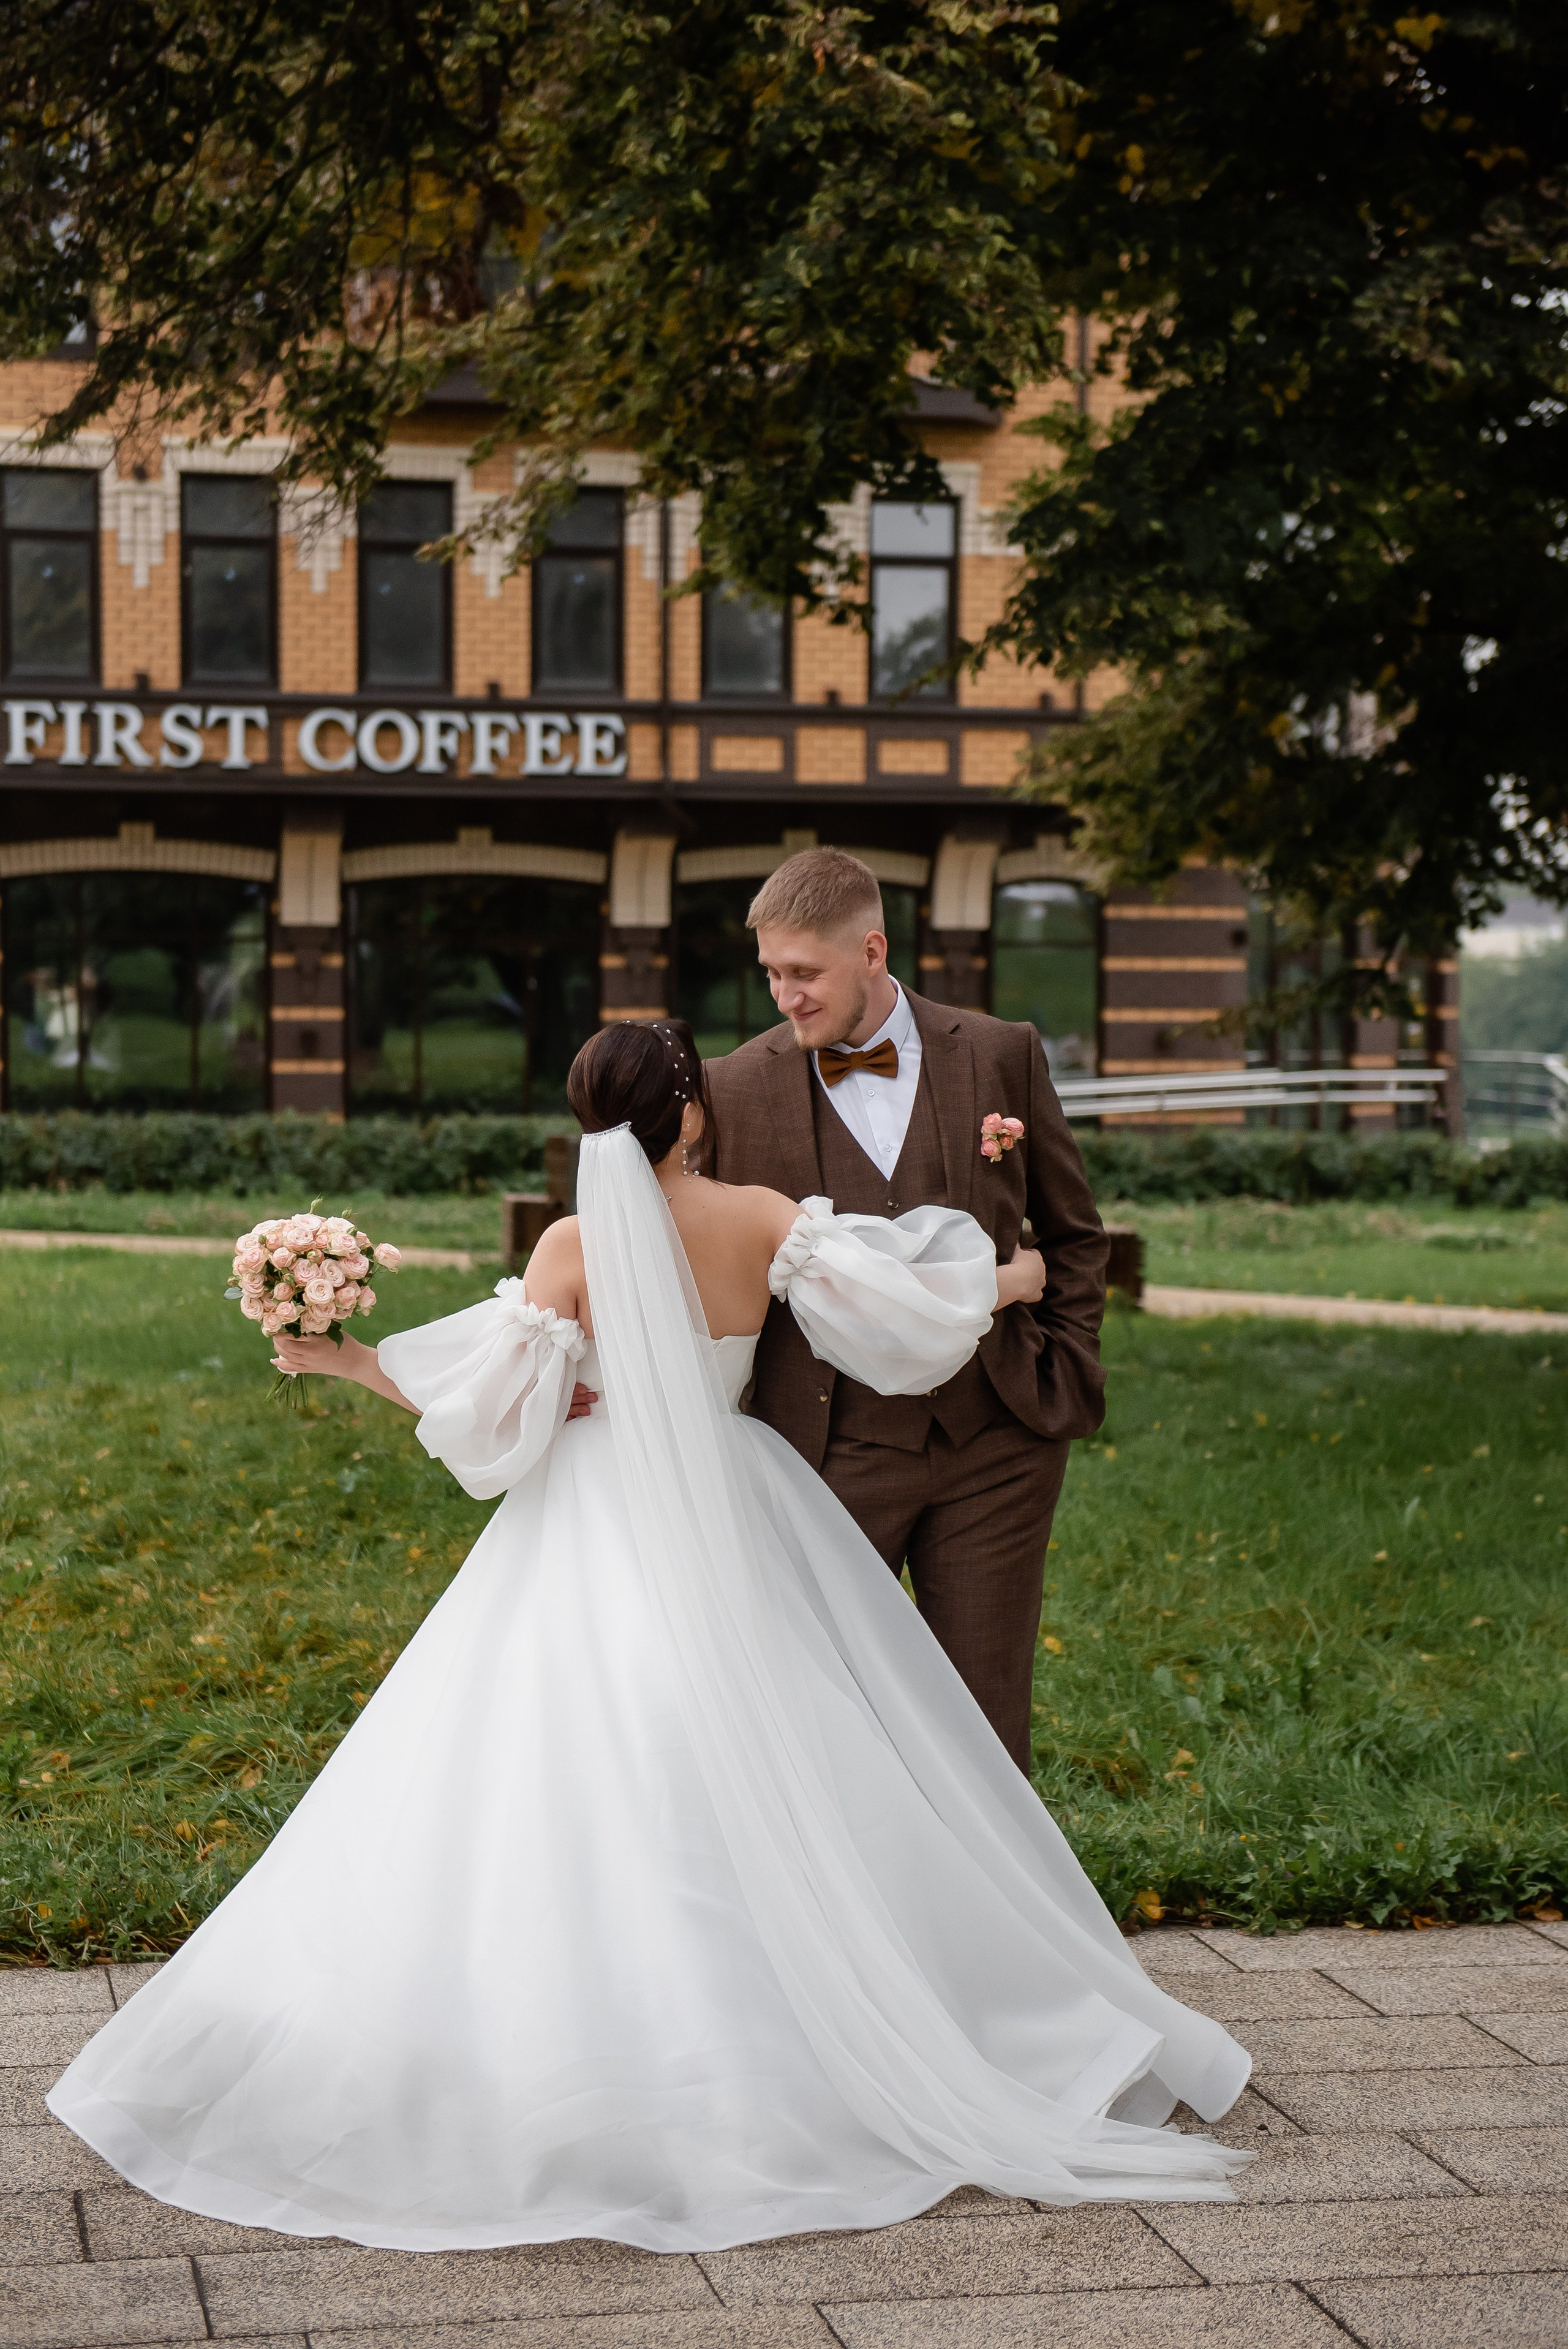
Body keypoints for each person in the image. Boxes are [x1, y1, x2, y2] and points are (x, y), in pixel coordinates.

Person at [47, 1020, 1250, 2254]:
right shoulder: (761, 1217)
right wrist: (1014, 1282)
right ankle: (854, 2017)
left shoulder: (571, 1246)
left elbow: (484, 1399)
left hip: (589, 1508)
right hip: (739, 1503)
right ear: (687, 1112)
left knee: (545, 1766)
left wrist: (348, 1359)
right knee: (797, 1752)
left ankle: (558, 2044)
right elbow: (901, 1312)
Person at [704, 847, 1106, 1771]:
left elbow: (1077, 1237)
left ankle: (989, 1917)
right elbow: (686, 1255)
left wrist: (1065, 1367)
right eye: (771, 974)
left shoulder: (1003, 1055)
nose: (785, 997)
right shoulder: (737, 1088)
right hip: (827, 1452)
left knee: (984, 1720)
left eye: (804, 973)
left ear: (873, 951)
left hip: (998, 1443)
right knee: (826, 1714)